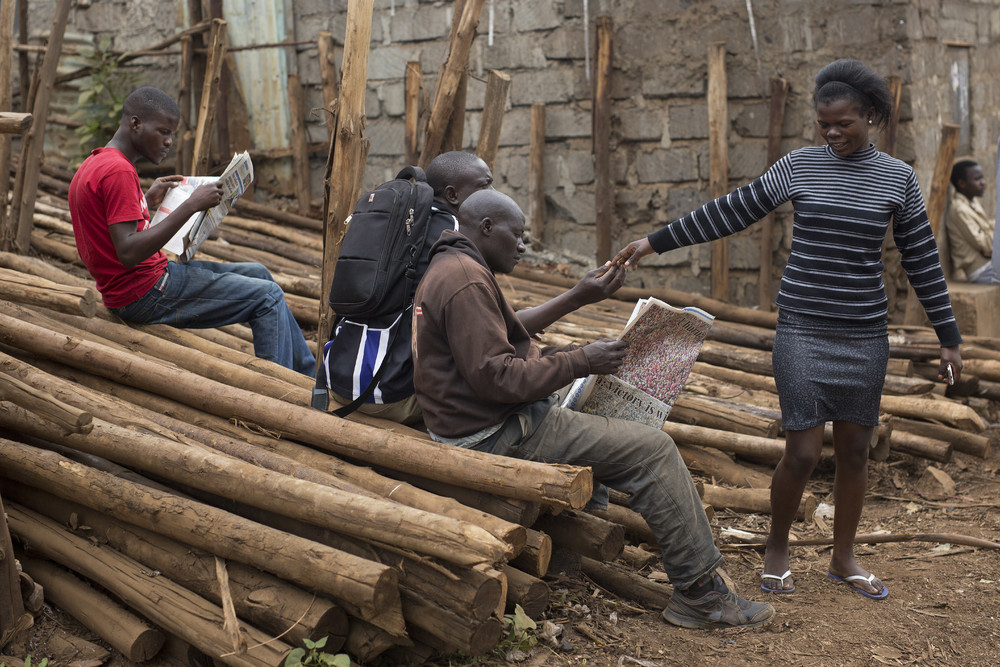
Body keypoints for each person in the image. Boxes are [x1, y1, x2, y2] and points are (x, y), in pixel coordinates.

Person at [613, 59, 963, 600]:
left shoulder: (898, 179)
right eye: (824, 124)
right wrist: (655, 242)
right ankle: (777, 545)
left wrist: (949, 337)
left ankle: (843, 557)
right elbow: (730, 211)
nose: (832, 133)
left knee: (854, 451)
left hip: (863, 334)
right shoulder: (799, 166)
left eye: (843, 124)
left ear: (870, 116)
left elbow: (921, 259)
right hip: (801, 328)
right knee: (801, 451)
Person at [412, 188, 775, 629]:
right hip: (494, 432)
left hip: (482, 418)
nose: (523, 245)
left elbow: (496, 345)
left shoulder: (456, 266)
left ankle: (585, 543)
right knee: (653, 450)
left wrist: (567, 348)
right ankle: (701, 595)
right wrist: (580, 361)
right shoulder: (466, 278)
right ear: (487, 228)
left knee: (617, 425)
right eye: (518, 235)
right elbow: (496, 378)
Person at [69, 87, 315, 376]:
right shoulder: (119, 172)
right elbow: (127, 252)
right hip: (145, 292)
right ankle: (280, 390)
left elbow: (108, 227)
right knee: (268, 296)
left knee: (259, 273)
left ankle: (306, 379)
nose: (169, 142)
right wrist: (191, 206)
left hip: (138, 284)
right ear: (135, 124)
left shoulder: (98, 162)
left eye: (171, 134)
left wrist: (145, 202)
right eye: (163, 132)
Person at [322, 151, 494, 424]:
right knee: (494, 382)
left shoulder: (396, 220)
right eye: (485, 185)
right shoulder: (453, 234)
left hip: (337, 379)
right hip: (390, 394)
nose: (493, 192)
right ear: (452, 195)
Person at [946, 159, 995, 283]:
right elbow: (987, 245)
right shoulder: (959, 209)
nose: (983, 183)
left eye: (982, 178)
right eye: (977, 179)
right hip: (980, 270)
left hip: (990, 263)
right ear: (962, 184)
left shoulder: (973, 202)